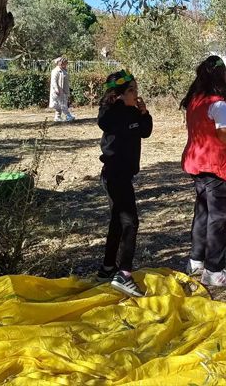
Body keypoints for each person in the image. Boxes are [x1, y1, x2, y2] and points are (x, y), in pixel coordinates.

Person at [180, 56, 226, 288]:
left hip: (198, 165)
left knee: (202, 214)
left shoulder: (195, 100)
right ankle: (214, 270)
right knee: (220, 219)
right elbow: (225, 136)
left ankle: (196, 260)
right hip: (218, 167)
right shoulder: (219, 104)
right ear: (222, 76)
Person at [95, 70, 153, 297]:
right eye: (132, 91)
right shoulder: (111, 112)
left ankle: (107, 268)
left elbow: (145, 132)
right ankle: (124, 274)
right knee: (130, 222)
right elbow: (105, 123)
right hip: (114, 175)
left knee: (118, 222)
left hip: (125, 174)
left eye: (137, 90)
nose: (136, 95)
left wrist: (144, 113)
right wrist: (120, 104)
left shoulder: (132, 112)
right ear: (119, 94)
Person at [49, 56, 75, 122]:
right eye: (65, 62)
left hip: (64, 90)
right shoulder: (55, 71)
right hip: (59, 90)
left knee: (60, 105)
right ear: (60, 63)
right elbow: (53, 81)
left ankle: (57, 117)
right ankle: (68, 116)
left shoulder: (63, 70)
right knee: (62, 104)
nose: (66, 64)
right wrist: (56, 89)